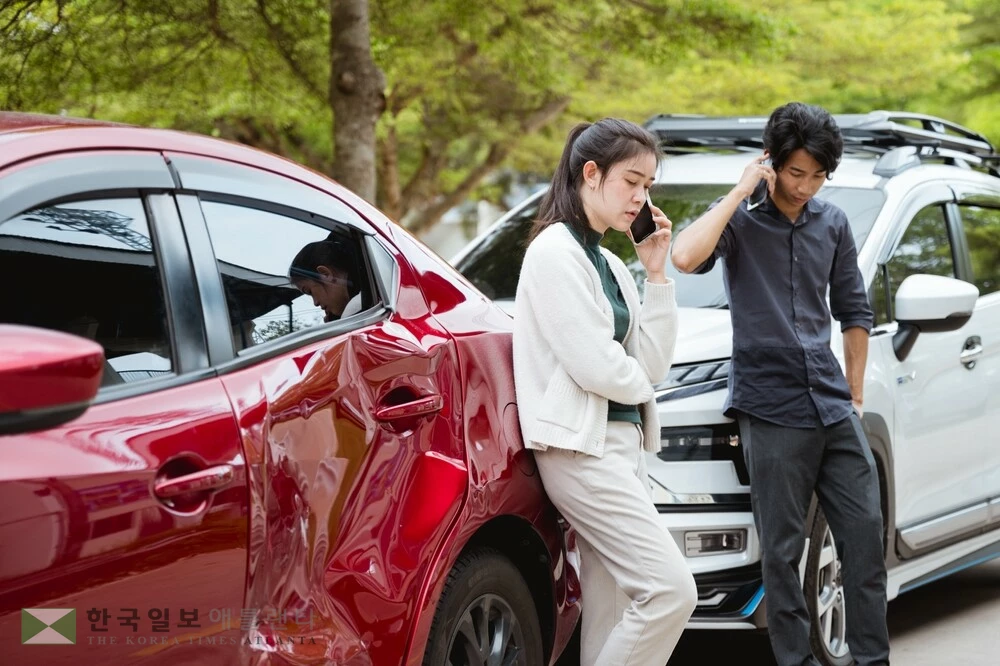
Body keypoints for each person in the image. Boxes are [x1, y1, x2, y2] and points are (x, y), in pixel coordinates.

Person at [671, 102, 889, 666]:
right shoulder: (740, 222)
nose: (807, 186)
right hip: (770, 406)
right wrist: (740, 190)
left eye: (818, 176)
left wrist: (857, 397)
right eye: (797, 173)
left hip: (832, 403)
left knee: (865, 541)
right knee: (783, 555)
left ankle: (872, 659)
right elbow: (685, 256)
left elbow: (854, 310)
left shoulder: (832, 222)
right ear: (771, 162)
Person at [513, 118, 697, 666]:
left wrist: (657, 274)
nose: (640, 199)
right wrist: (639, 379)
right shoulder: (554, 252)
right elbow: (597, 365)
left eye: (648, 187)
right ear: (590, 174)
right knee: (669, 590)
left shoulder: (611, 262)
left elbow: (653, 362)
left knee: (613, 608)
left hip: (620, 445)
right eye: (631, 182)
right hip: (580, 452)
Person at [288, 238, 363, 322]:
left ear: (325, 274)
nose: (315, 303)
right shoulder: (366, 301)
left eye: (310, 292)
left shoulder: (356, 308)